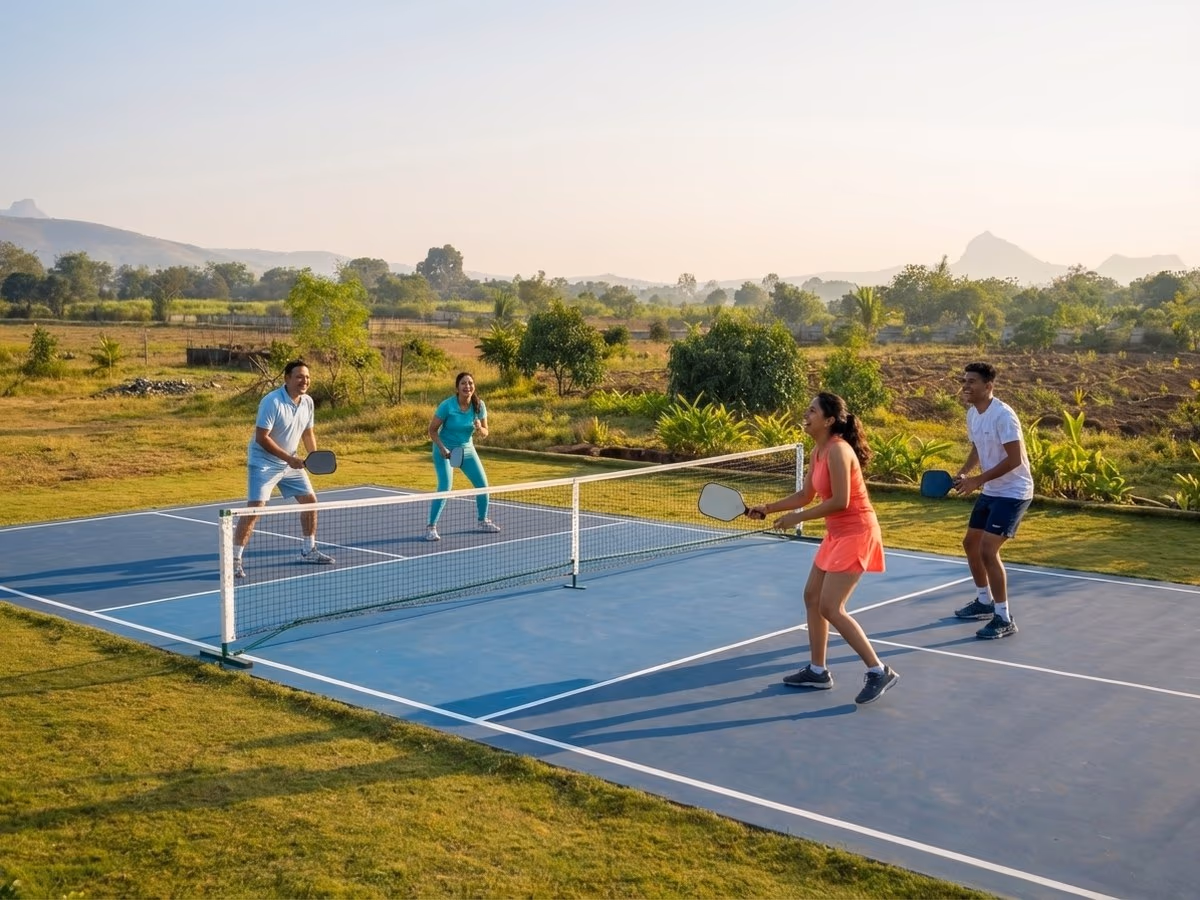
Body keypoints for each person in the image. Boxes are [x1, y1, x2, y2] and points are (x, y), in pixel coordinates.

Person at [749, 391, 898, 705]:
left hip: (857, 532)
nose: (807, 414)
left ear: (829, 420)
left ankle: (878, 670)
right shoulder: (818, 452)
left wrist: (798, 518)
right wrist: (768, 507)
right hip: (837, 534)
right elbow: (805, 495)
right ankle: (818, 671)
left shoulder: (838, 451)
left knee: (831, 607)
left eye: (813, 411)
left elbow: (840, 501)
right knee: (812, 597)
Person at [950, 361, 1034, 639]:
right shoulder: (973, 414)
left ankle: (1003, 617)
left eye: (972, 381)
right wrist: (965, 471)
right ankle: (983, 602)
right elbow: (977, 448)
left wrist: (977, 481)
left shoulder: (1004, 416)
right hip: (992, 490)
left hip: (1014, 491)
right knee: (970, 543)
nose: (966, 386)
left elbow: (1014, 460)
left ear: (989, 386)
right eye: (965, 380)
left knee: (988, 550)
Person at [232, 359, 335, 578]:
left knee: (310, 502)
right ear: (287, 379)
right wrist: (288, 458)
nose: (304, 381)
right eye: (299, 376)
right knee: (256, 508)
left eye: (307, 377)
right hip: (263, 463)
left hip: (291, 462)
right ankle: (235, 559)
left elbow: (308, 433)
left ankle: (308, 549)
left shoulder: (307, 402)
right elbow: (262, 438)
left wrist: (313, 457)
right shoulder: (271, 402)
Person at [425, 371, 500, 541]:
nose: (467, 386)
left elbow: (485, 432)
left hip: (467, 449)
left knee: (483, 486)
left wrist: (480, 428)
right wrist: (443, 449)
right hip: (444, 449)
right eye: (463, 383)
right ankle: (431, 527)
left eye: (470, 383)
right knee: (445, 486)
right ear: (457, 388)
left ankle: (482, 521)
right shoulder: (447, 406)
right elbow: (432, 430)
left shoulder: (479, 405)